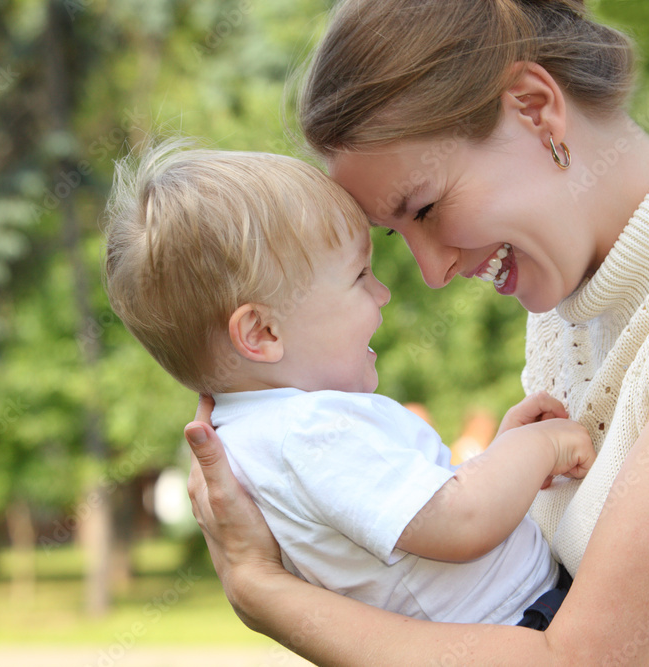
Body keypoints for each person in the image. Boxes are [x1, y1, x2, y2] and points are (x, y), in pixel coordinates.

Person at [184, 0, 649, 665]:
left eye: (426, 207)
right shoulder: (566, 306)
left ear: (535, 107)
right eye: (398, 233)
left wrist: (265, 590)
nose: (433, 270)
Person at [102, 139, 598, 624]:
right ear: (262, 332)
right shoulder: (308, 430)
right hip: (523, 624)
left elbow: (418, 533)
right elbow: (461, 520)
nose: (382, 293)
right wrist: (541, 448)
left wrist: (501, 453)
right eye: (360, 275)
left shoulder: (254, 442)